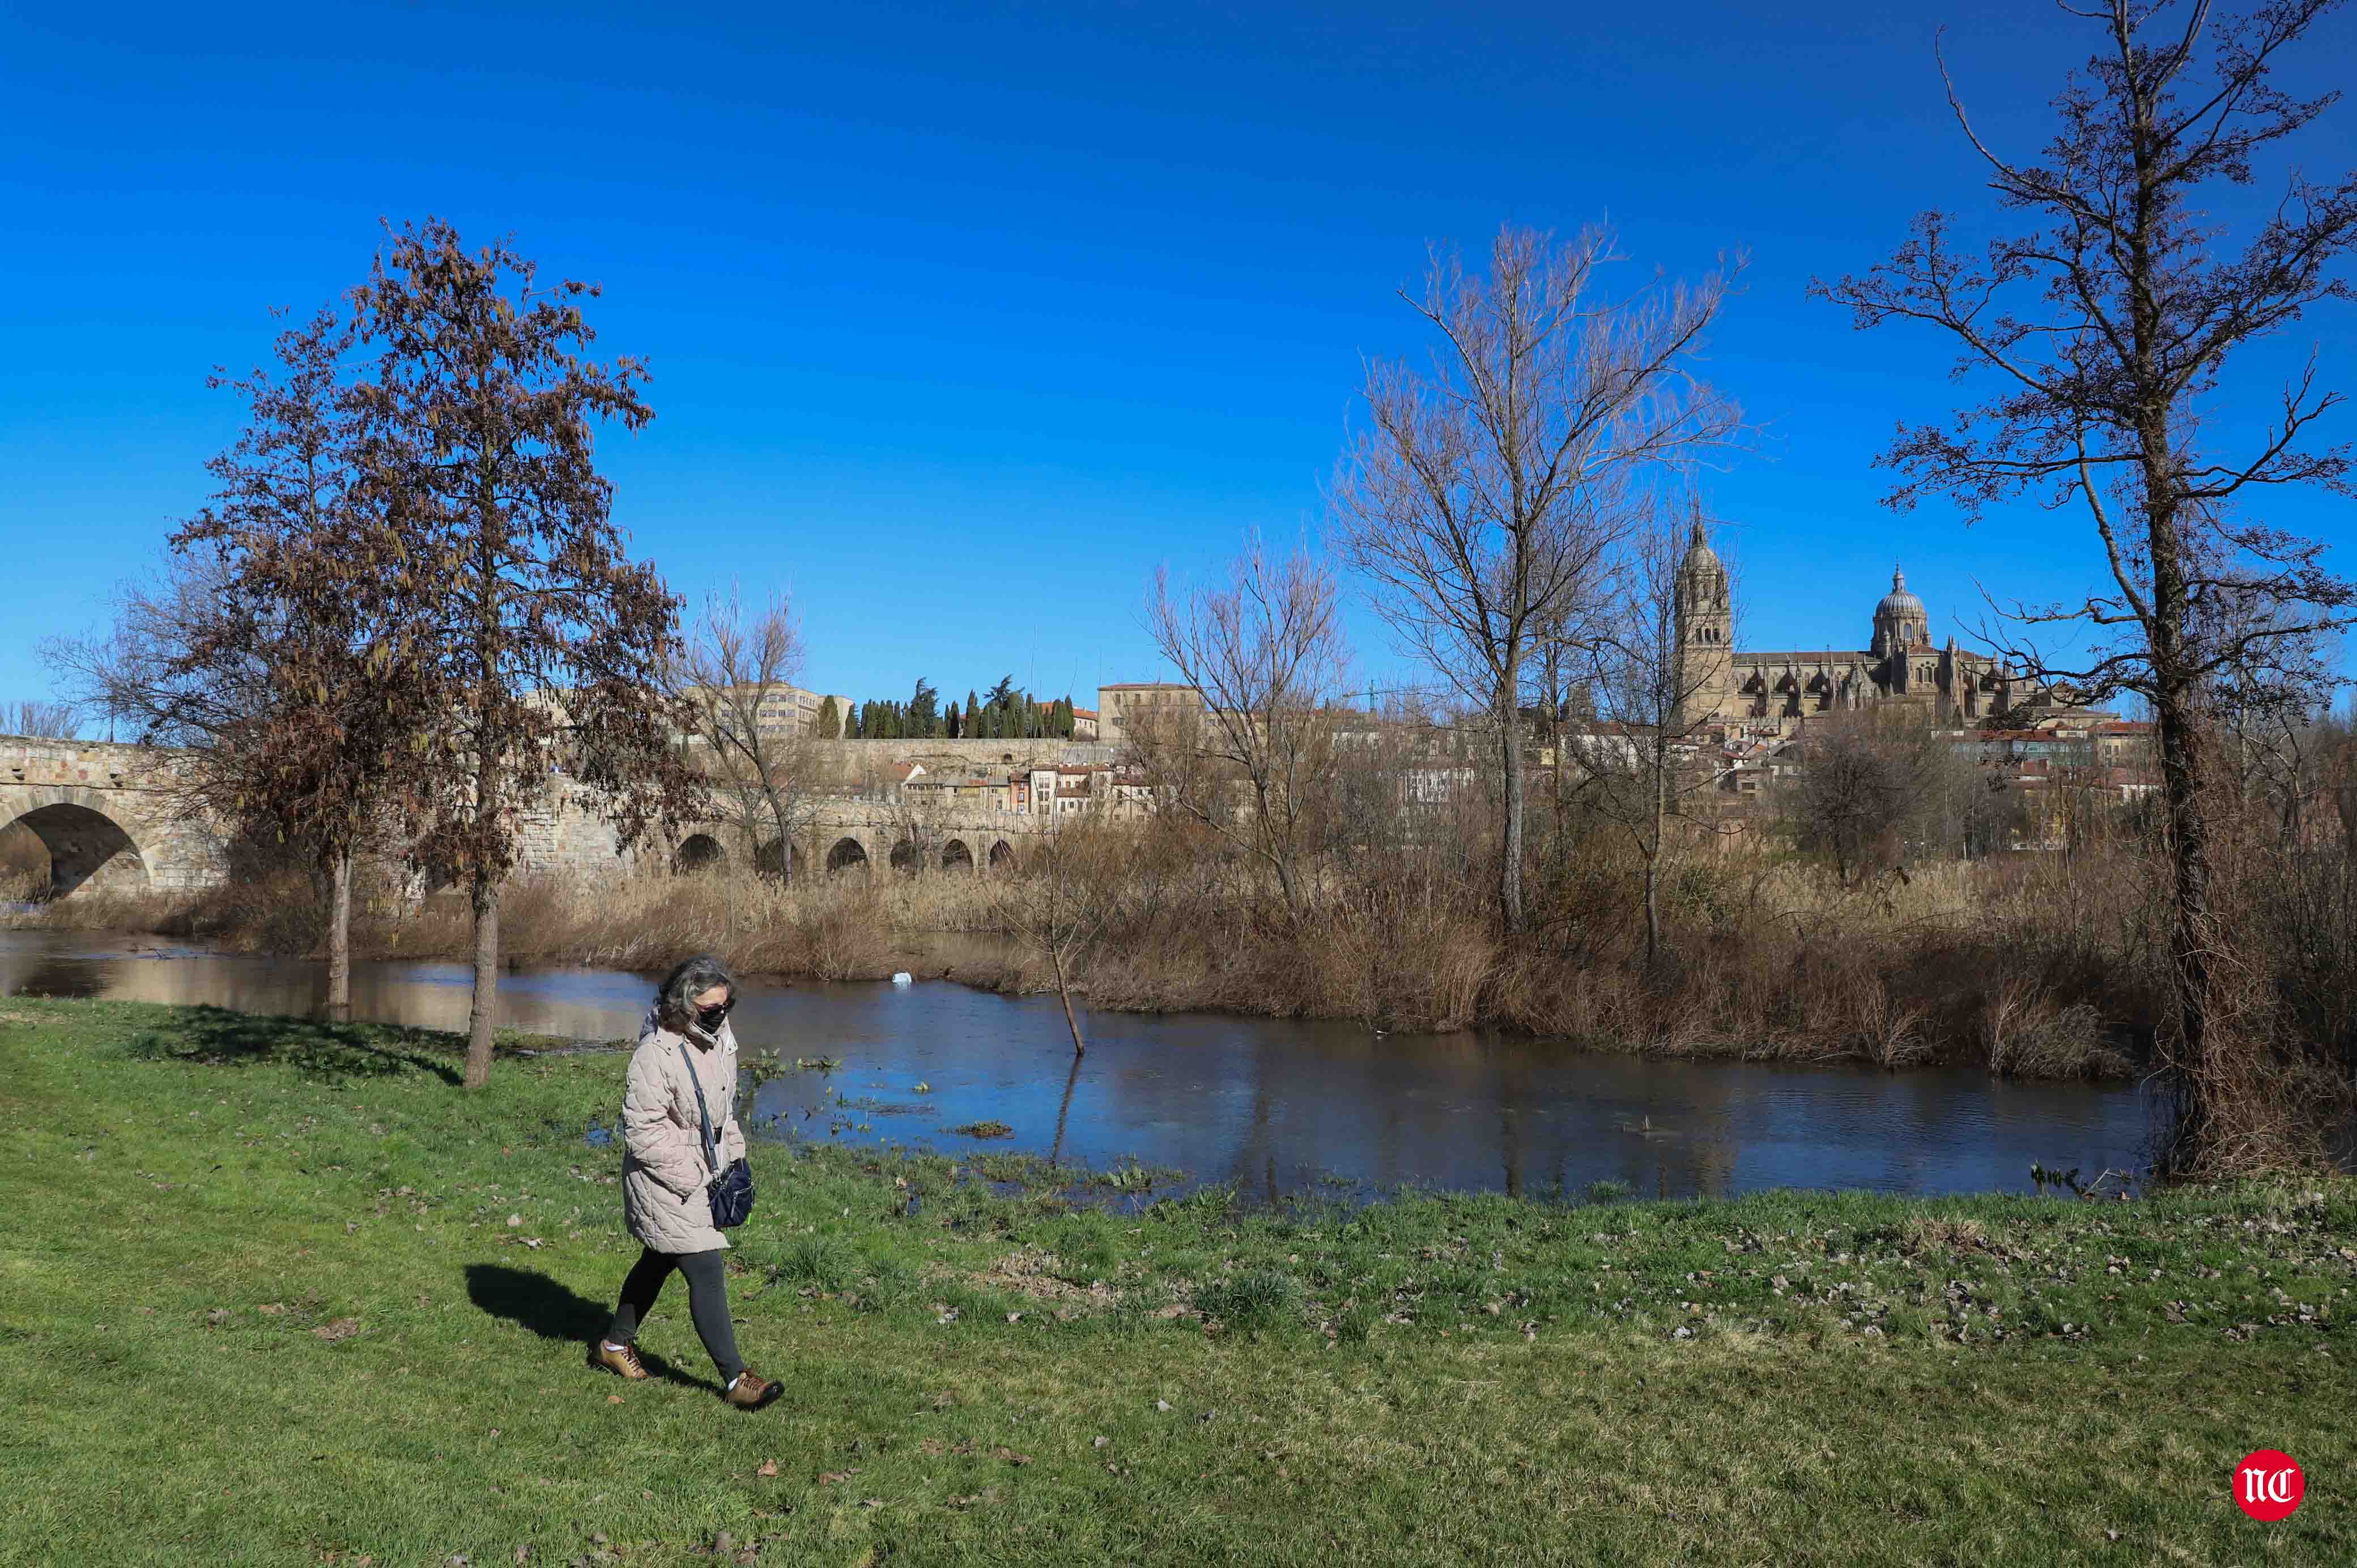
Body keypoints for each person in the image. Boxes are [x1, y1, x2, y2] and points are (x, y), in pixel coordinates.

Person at [590, 953, 777, 1409]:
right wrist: (694, 1174)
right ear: (685, 1004)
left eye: (726, 1006)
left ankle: (613, 1346)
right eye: (711, 1009)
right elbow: (641, 1132)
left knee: (657, 1260)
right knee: (706, 1267)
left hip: (705, 1170)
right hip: (664, 1178)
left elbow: (724, 1108)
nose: (720, 1016)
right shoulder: (656, 1053)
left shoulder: (719, 1037)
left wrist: (734, 1157)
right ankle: (736, 1381)